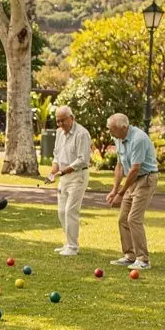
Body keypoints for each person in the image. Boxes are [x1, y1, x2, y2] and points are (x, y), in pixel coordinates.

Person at [106, 113, 158, 271]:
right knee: (123, 219)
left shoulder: (138, 139)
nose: (110, 133)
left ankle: (143, 259)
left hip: (145, 179)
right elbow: (120, 165)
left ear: (124, 127)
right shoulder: (118, 138)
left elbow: (135, 169)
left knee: (133, 219)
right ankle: (130, 256)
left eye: (112, 129)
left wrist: (121, 194)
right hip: (132, 180)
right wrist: (115, 190)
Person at [45, 105, 91, 256]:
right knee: (61, 211)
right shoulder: (59, 133)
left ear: (72, 118)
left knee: (71, 210)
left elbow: (82, 160)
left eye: (62, 121)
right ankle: (68, 243)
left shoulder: (82, 134)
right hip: (63, 176)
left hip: (78, 176)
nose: (60, 124)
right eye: (57, 121)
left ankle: (73, 246)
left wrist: (62, 171)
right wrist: (53, 172)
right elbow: (57, 156)